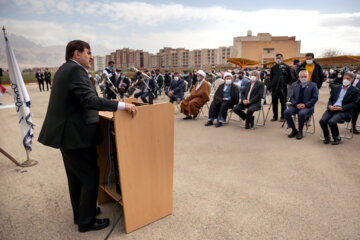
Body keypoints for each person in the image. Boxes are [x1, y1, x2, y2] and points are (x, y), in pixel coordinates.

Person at [38, 40, 137, 233]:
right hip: (75, 137)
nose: (91, 56)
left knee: (76, 178)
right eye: (88, 53)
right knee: (90, 176)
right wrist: (123, 105)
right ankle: (87, 221)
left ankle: (82, 213)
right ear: (77, 54)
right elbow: (89, 100)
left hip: (68, 135)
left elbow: (80, 101)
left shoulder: (64, 69)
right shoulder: (75, 71)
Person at [319, 72, 359, 145]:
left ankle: (337, 137)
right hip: (332, 108)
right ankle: (327, 136)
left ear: (352, 80)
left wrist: (341, 108)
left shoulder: (355, 90)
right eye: (344, 78)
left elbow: (354, 104)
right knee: (322, 121)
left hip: (343, 111)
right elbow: (331, 99)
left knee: (332, 121)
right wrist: (329, 106)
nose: (345, 80)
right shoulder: (336, 88)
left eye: (348, 79)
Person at [284, 70, 319, 140]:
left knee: (301, 113)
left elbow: (315, 98)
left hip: (307, 107)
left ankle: (300, 131)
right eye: (302, 77)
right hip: (296, 106)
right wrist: (296, 104)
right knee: (286, 112)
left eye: (305, 76)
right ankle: (294, 130)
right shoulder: (296, 86)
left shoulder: (313, 85)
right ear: (299, 78)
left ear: (308, 77)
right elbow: (292, 97)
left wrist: (305, 105)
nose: (303, 78)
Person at [270, 53, 294, 121]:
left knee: (283, 103)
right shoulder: (273, 67)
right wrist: (273, 84)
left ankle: (283, 117)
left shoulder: (287, 67)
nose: (278, 59)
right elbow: (271, 77)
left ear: (282, 58)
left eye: (279, 58)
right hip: (275, 88)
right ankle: (275, 116)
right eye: (277, 58)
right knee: (274, 103)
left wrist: (285, 73)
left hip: (283, 88)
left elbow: (290, 78)